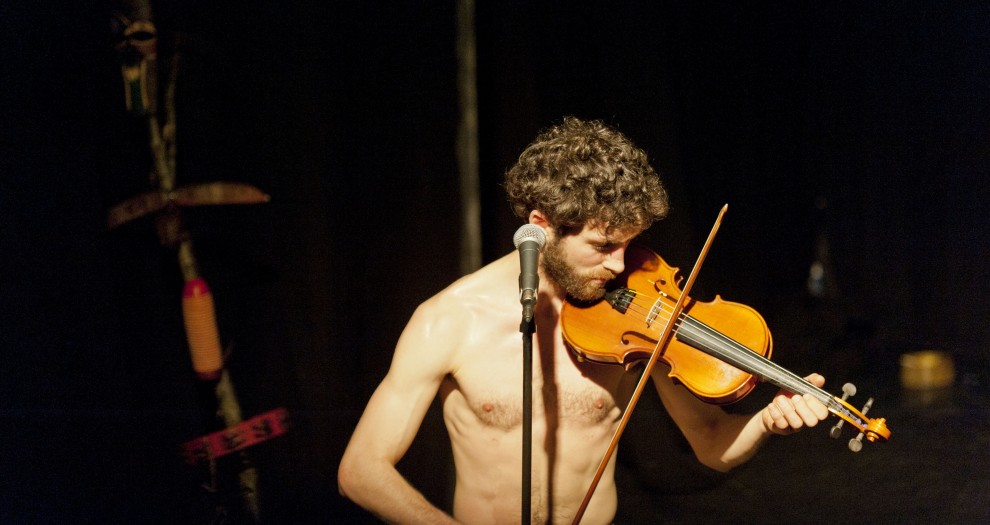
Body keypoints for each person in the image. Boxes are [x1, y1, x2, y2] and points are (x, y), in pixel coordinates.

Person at [337, 117, 829, 524]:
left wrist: (766, 422)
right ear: (541, 226)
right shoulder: (448, 320)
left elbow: (711, 444)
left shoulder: (638, 318)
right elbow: (361, 470)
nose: (620, 264)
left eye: (628, 244)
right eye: (603, 246)